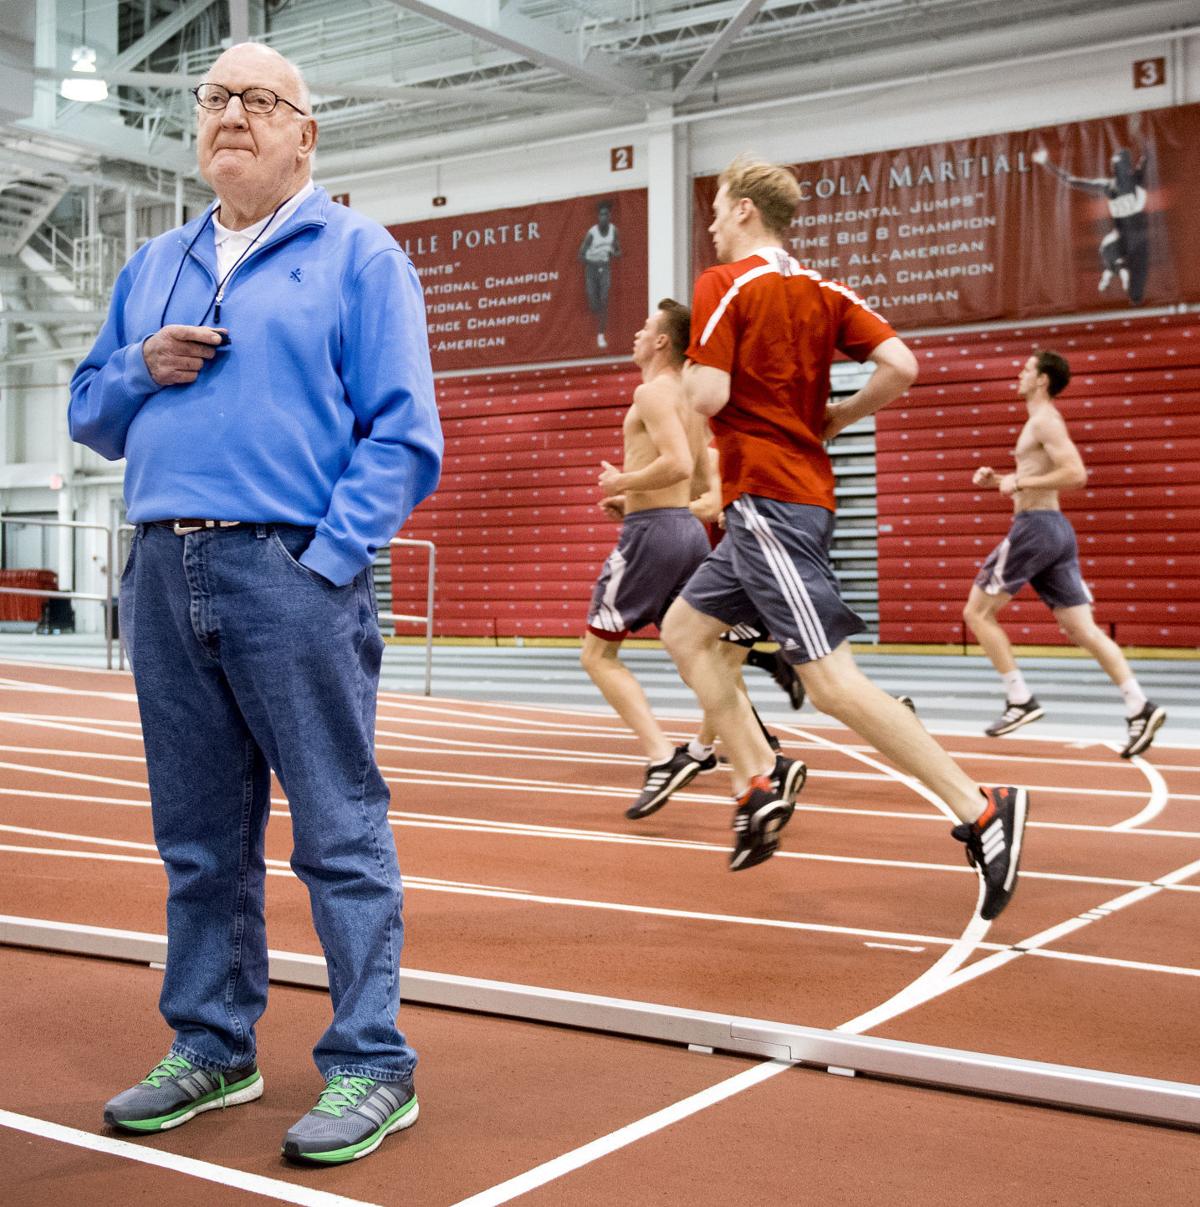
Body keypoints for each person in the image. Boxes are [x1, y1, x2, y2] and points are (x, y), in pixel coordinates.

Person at [68, 43, 443, 1165]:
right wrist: (143, 366)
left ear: (305, 134)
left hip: (288, 571)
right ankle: (213, 1043)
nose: (233, 114)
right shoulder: (155, 264)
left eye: (259, 100)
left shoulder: (359, 257)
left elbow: (405, 435)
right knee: (196, 839)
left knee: (336, 829)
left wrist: (324, 562)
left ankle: (372, 1062)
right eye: (216, 98)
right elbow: (90, 407)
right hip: (162, 570)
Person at [661, 155, 1028, 920]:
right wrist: (836, 416)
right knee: (686, 630)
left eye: (719, 210)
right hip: (780, 498)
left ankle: (980, 805)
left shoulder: (722, 285)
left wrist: (695, 389)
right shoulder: (826, 290)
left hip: (770, 500)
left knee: (832, 682)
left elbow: (709, 392)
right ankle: (759, 774)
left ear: (747, 214)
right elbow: (901, 363)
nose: (712, 223)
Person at [582, 300, 805, 819]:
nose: (636, 333)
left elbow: (677, 463)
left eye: (645, 327)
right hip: (683, 530)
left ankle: (662, 757)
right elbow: (703, 475)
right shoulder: (691, 400)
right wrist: (640, 501)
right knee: (699, 660)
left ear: (662, 342)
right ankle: (765, 764)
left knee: (597, 656)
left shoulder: (651, 391)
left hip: (654, 534)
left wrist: (624, 484)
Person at [963, 350, 1166, 758]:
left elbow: (1076, 474)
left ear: (1042, 380)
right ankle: (1139, 706)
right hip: (1055, 531)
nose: (1018, 374)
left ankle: (1019, 699)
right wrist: (1000, 481)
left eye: (1025, 369)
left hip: (1035, 529)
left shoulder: (1044, 420)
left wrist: (1016, 483)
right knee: (1082, 630)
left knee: (977, 613)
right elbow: (1038, 479)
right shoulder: (1038, 423)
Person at [1033, 145, 1151, 305]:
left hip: (1138, 239)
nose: (1118, 170)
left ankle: (1124, 279)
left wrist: (1145, 138)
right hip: (1122, 237)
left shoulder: (1135, 178)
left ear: (1126, 167)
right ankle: (1117, 269)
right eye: (1115, 167)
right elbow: (1072, 181)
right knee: (1106, 249)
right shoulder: (1108, 186)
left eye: (1120, 166)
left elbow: (1145, 158)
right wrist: (1047, 163)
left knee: (1136, 292)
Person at [579, 201, 622, 349]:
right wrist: (593, 262)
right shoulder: (592, 233)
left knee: (605, 299)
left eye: (606, 214)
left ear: (609, 216)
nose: (603, 217)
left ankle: (600, 334)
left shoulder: (613, 231)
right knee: (593, 301)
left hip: (604, 267)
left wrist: (613, 254)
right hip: (591, 267)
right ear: (598, 217)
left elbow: (618, 251)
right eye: (601, 214)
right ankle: (595, 313)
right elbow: (581, 255)